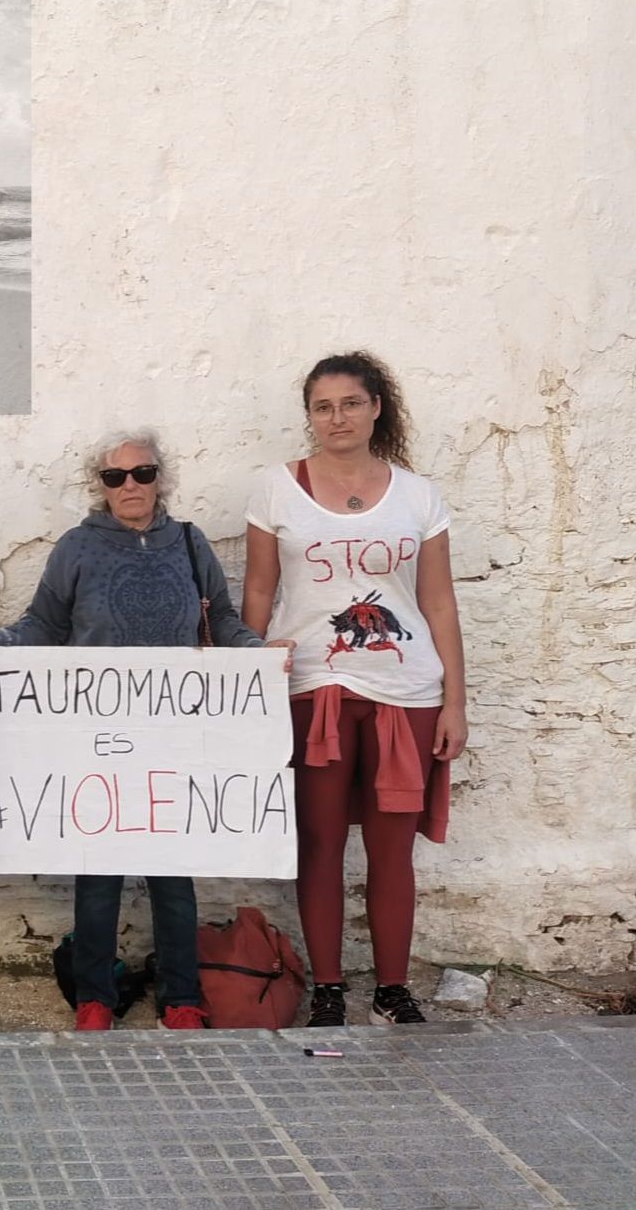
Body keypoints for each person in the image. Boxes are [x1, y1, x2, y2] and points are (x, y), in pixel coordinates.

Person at [0, 429, 291, 1032]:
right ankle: (94, 997)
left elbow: (226, 622)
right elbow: (43, 625)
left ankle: (181, 998)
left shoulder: (189, 545)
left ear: (162, 478)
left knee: (172, 868)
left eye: (142, 473)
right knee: (99, 867)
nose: (130, 486)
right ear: (100, 486)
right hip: (97, 735)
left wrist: (263, 657)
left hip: (175, 733)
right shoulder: (77, 548)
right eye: (116, 477)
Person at [242, 351, 467, 1028]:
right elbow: (257, 588)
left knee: (394, 850)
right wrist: (251, 676)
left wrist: (455, 699)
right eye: (322, 405)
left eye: (350, 402)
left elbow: (439, 600)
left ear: (376, 407)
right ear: (309, 415)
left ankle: (394, 988)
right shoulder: (276, 489)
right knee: (320, 840)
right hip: (314, 688)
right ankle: (331, 988)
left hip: (407, 693)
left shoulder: (418, 495)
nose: (336, 416)